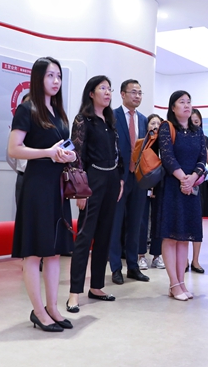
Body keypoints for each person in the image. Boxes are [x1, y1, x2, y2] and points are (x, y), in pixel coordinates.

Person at [8, 57, 76, 332]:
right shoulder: (27, 109)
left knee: (54, 252)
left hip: (58, 186)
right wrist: (48, 152)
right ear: (38, 78)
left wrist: (69, 155)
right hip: (37, 186)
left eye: (58, 76)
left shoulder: (58, 112)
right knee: (35, 253)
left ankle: (53, 308)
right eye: (50, 75)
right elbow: (14, 148)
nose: (56, 81)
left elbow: (63, 147)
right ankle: (38, 311)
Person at [66, 76, 123, 313]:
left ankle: (97, 286)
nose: (108, 92)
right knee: (84, 236)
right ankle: (74, 293)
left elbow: (117, 152)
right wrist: (80, 190)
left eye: (110, 89)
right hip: (91, 181)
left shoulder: (110, 120)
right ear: (91, 93)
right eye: (103, 88)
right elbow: (76, 156)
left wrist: (120, 179)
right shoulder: (83, 120)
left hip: (111, 180)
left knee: (105, 235)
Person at [155, 90, 207, 301]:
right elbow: (167, 157)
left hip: (191, 190)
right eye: (181, 102)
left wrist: (192, 178)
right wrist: (183, 179)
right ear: (173, 107)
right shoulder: (166, 127)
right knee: (170, 236)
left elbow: (202, 159)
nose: (186, 105)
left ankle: (181, 283)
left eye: (189, 102)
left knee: (184, 237)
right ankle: (174, 284)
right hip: (171, 187)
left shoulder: (198, 131)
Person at [109, 79, 149, 284]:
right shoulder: (112, 116)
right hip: (118, 178)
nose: (137, 96)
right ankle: (116, 267)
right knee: (115, 224)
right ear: (122, 94)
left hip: (138, 178)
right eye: (133, 92)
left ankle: (133, 266)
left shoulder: (143, 120)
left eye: (140, 93)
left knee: (136, 223)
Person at [138, 113, 166, 270]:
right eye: (152, 123)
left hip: (160, 187)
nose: (155, 126)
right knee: (142, 221)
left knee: (158, 221)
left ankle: (157, 255)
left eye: (158, 124)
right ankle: (141, 256)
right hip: (143, 186)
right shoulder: (142, 143)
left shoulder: (165, 144)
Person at [187, 108, 208, 273]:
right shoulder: (182, 137)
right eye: (192, 121)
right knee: (183, 222)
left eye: (197, 121)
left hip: (199, 183)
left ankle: (195, 261)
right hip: (184, 182)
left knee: (197, 224)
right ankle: (184, 260)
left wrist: (202, 143)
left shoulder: (204, 138)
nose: (194, 124)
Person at [6, 93, 30, 205]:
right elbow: (10, 157)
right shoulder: (16, 129)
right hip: (23, 176)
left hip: (42, 177)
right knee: (22, 212)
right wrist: (21, 170)